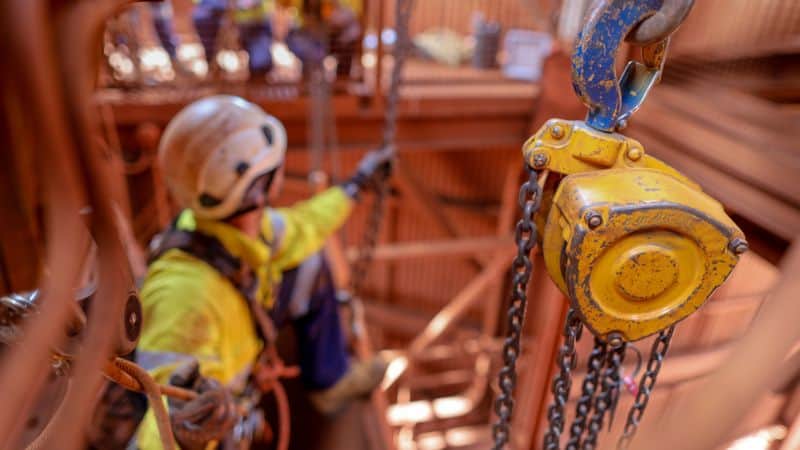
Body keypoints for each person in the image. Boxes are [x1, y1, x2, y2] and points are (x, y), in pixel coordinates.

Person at [134, 95, 392, 449]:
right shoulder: (184, 294)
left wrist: (354, 187)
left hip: (242, 353)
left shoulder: (242, 230)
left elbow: (306, 226)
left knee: (310, 262)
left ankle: (329, 382)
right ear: (259, 185)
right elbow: (159, 404)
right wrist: (180, 433)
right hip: (221, 424)